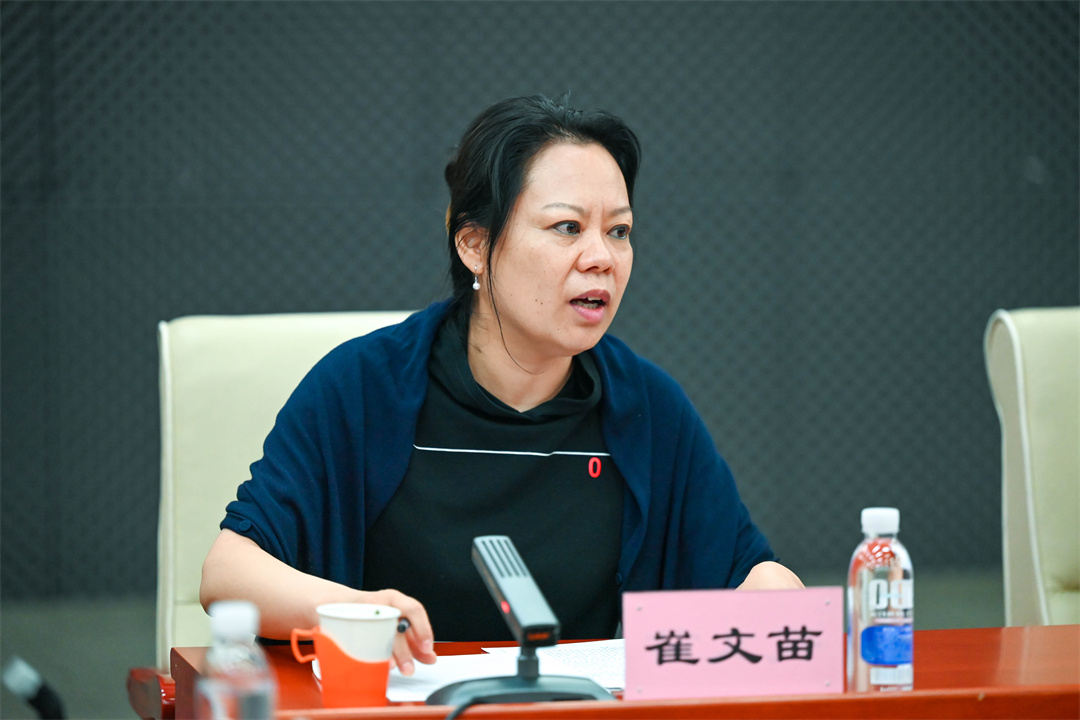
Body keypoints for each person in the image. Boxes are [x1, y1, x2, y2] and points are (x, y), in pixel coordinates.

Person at [200, 94, 803, 677]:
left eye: (619, 231)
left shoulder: (647, 407)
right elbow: (227, 574)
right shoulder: (363, 388)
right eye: (567, 227)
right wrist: (356, 610)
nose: (602, 257)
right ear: (475, 245)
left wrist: (774, 589)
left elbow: (749, 573)